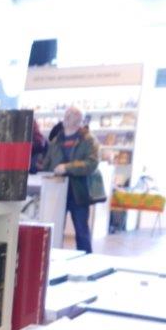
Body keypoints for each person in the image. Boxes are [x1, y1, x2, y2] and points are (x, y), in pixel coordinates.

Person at [44, 106, 99, 253]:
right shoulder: (56, 140)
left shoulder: (88, 140)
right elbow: (47, 163)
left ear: (80, 120)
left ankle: (87, 260)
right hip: (57, 190)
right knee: (54, 229)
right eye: (67, 114)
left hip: (78, 192)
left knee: (81, 231)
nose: (67, 117)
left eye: (72, 115)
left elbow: (92, 163)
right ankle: (52, 257)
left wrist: (68, 167)